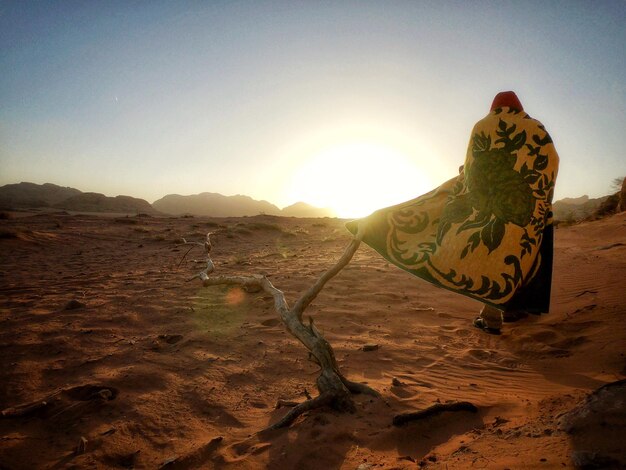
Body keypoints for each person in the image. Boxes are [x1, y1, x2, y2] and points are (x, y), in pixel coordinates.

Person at [347, 91, 559, 334]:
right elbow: (552, 160)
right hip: (528, 207)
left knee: (492, 258)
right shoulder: (538, 128)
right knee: (520, 254)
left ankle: (492, 318)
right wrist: (539, 196)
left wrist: (469, 181)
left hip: (489, 203)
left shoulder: (484, 125)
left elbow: (475, 165)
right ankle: (511, 311)